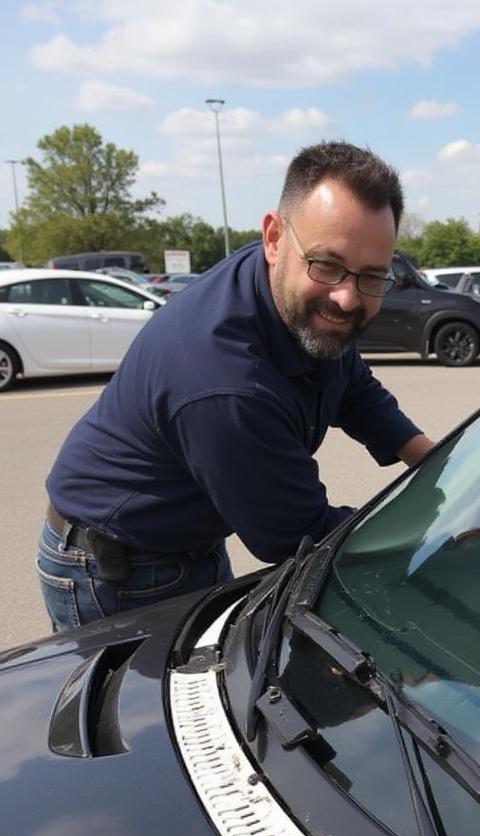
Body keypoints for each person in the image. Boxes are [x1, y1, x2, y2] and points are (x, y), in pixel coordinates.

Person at [38, 140, 434, 632]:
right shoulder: (223, 383)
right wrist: (428, 536)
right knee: (147, 708)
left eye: (372, 276)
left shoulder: (286, 288)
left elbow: (349, 381)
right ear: (273, 237)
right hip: (117, 569)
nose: (347, 297)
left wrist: (432, 459)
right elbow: (299, 536)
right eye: (327, 265)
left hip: (186, 539)